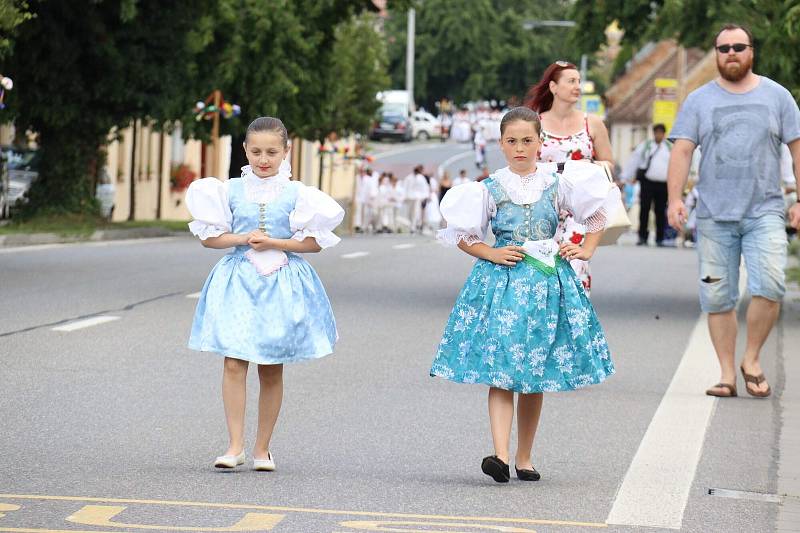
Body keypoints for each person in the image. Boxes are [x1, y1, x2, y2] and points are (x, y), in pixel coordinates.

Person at [430, 107, 617, 483]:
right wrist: (492, 252)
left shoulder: (556, 183)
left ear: (540, 143)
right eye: (512, 141)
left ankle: (525, 457)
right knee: (502, 369)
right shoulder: (489, 188)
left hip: (548, 285)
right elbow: (463, 235)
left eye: (527, 140)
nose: (520, 148)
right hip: (501, 286)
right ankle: (499, 454)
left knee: (535, 373)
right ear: (500, 144)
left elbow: (598, 213)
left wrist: (586, 248)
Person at [185, 116, 344, 470]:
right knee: (233, 360)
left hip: (281, 281)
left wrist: (275, 242)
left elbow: (314, 244)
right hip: (238, 279)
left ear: (286, 151)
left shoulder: (298, 194)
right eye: (256, 151)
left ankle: (262, 448)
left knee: (271, 366)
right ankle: (234, 445)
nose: (263, 159)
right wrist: (243, 239)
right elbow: (210, 238)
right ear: (244, 150)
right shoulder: (228, 190)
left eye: (272, 151)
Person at [667, 23, 800, 398]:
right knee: (718, 297)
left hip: (765, 210)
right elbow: (682, 150)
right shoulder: (698, 100)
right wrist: (675, 198)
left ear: (751, 52)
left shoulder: (777, 96)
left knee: (771, 284)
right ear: (716, 54)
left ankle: (752, 359)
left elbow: (797, 149)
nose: (731, 53)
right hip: (713, 214)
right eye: (723, 48)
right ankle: (727, 373)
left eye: (738, 47)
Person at [525, 61, 614, 295]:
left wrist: (589, 167)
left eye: (579, 81)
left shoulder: (592, 123)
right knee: (542, 273)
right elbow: (520, 163)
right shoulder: (534, 123)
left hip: (579, 211)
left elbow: (609, 165)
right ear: (553, 87)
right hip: (542, 209)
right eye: (571, 81)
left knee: (575, 268)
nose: (577, 87)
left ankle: (575, 323)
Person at [621, 124, 672, 246]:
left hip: (663, 184)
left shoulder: (669, 148)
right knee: (644, 209)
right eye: (656, 132)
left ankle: (660, 238)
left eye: (661, 133)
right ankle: (642, 236)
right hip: (647, 183)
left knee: (660, 211)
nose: (658, 135)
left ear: (664, 134)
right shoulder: (646, 146)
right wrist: (626, 177)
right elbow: (634, 161)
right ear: (654, 133)